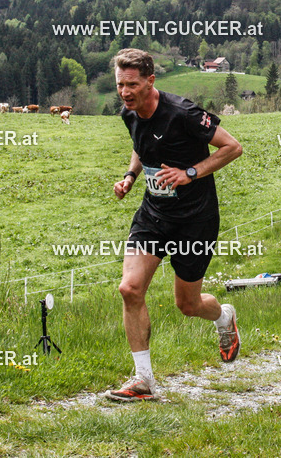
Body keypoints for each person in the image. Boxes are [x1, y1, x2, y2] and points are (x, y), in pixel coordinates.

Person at [104, 48, 244, 403]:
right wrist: (130, 176)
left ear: (150, 81)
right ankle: (143, 380)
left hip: (195, 220)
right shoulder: (129, 113)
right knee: (129, 289)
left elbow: (232, 147)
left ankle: (224, 317)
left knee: (188, 304)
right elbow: (142, 146)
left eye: (132, 85)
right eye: (120, 85)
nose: (125, 92)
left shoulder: (183, 113)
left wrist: (189, 173)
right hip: (154, 214)